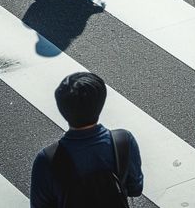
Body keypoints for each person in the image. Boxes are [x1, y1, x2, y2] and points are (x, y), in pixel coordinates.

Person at [30, 72, 143, 206]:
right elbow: (135, 189)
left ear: (62, 109)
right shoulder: (122, 141)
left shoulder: (47, 159)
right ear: (100, 103)